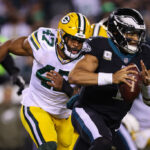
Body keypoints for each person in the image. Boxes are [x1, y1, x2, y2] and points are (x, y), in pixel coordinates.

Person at [0, 12, 91, 150]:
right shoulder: (43, 43)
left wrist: (66, 87)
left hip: (65, 115)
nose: (76, 45)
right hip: (37, 106)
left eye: (80, 41)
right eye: (72, 39)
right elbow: (8, 45)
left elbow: (85, 100)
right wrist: (13, 71)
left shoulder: (88, 58)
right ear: (61, 35)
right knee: (49, 146)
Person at [68, 8, 150, 150]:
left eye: (138, 34)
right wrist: (112, 77)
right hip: (87, 110)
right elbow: (74, 76)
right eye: (131, 33)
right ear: (116, 32)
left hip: (113, 122)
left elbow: (148, 101)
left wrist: (145, 86)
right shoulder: (100, 45)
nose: (135, 39)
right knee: (102, 142)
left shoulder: (145, 54)